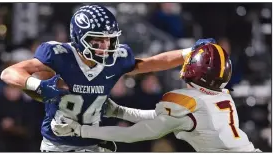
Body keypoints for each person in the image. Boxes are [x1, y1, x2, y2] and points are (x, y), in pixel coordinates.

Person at [0, 4, 214, 152]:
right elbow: (9, 72)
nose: (105, 47)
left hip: (96, 144)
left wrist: (189, 52)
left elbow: (154, 61)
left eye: (109, 41)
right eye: (97, 41)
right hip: (59, 146)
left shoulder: (117, 59)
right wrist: (37, 86)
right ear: (79, 38)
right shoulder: (59, 56)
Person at [53, 43, 260, 152]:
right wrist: (119, 111)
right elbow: (160, 118)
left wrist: (82, 130)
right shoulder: (221, 96)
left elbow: (135, 134)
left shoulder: (187, 101)